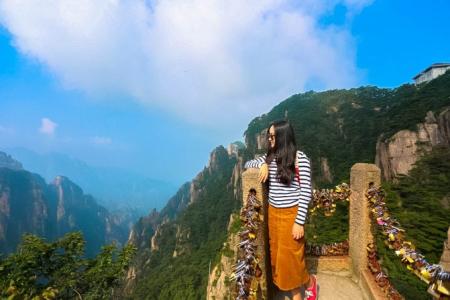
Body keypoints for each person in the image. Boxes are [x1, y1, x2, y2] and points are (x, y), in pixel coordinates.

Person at [244, 120, 317, 300]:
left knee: (291, 259)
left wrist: (299, 222)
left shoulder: (300, 159)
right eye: (269, 136)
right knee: (280, 258)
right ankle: (310, 283)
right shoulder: (269, 158)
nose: (270, 139)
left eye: (273, 136)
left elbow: (306, 191)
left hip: (292, 214)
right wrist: (262, 165)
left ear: (284, 137)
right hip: (274, 214)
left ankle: (298, 295)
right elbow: (247, 164)